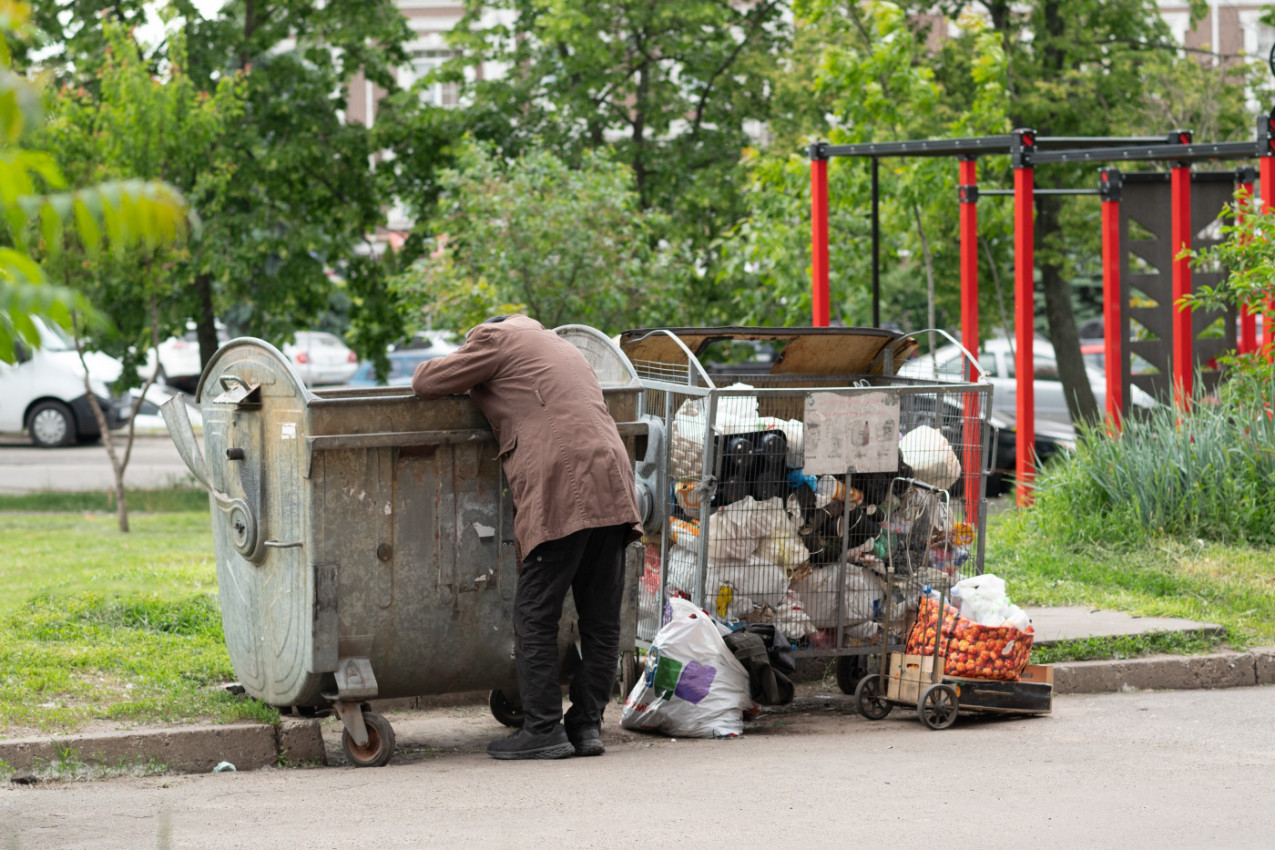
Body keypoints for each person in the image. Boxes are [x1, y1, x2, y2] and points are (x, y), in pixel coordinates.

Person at [411, 315, 641, 760]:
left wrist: (470, 363)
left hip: (562, 480)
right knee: (600, 616)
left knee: (534, 613)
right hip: (611, 475)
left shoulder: (497, 339)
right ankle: (586, 725)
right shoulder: (558, 345)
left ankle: (542, 730)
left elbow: (426, 381)